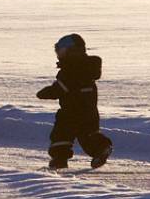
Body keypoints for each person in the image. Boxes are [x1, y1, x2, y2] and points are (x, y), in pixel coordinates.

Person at [37, 33, 113, 170]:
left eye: (62, 51)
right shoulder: (87, 69)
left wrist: (45, 93)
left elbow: (60, 89)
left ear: (73, 51)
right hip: (89, 111)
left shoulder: (71, 70)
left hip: (70, 112)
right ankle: (101, 149)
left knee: (61, 134)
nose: (59, 55)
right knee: (88, 135)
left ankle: (60, 158)